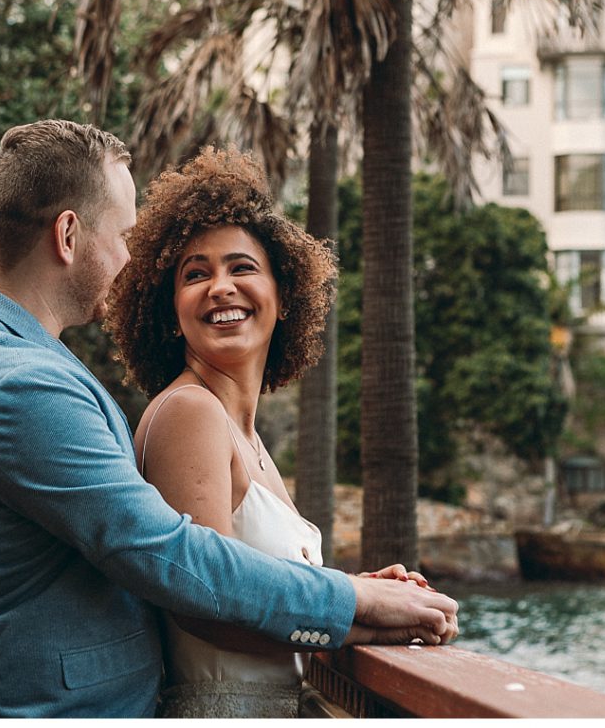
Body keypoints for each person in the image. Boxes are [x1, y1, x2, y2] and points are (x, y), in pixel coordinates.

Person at [0, 119, 458, 718]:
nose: (127, 259)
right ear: (68, 235)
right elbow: (168, 555)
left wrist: (345, 594)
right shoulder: (18, 384)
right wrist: (353, 603)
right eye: (122, 236)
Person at [105, 145, 443, 717]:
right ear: (170, 310)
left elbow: (262, 587)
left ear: (283, 296)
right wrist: (361, 623)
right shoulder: (189, 413)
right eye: (195, 274)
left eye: (242, 267)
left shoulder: (246, 435)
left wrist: (365, 591)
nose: (220, 287)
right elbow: (204, 604)